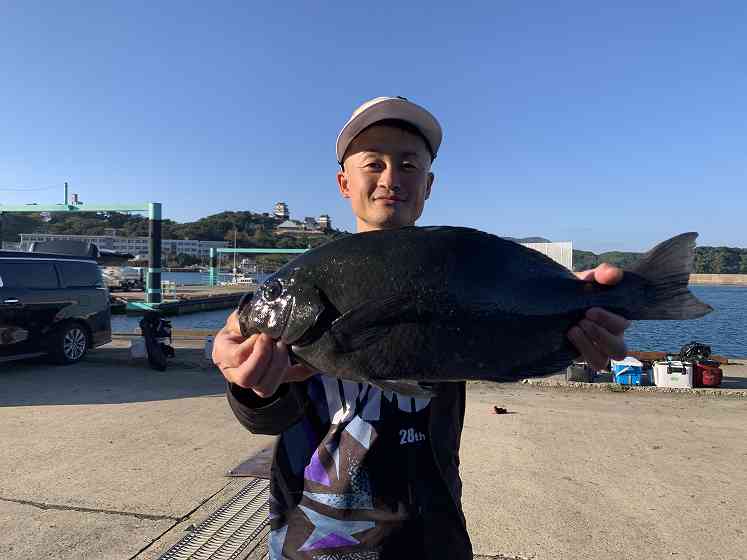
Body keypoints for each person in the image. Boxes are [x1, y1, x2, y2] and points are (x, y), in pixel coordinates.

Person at [212, 96, 631, 559]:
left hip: (432, 537)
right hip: (312, 541)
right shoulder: (310, 280)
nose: (391, 177)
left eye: (408, 165)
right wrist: (253, 384)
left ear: (428, 185)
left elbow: (503, 322)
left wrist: (574, 315)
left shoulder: (451, 263)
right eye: (373, 163)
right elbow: (265, 418)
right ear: (343, 182)